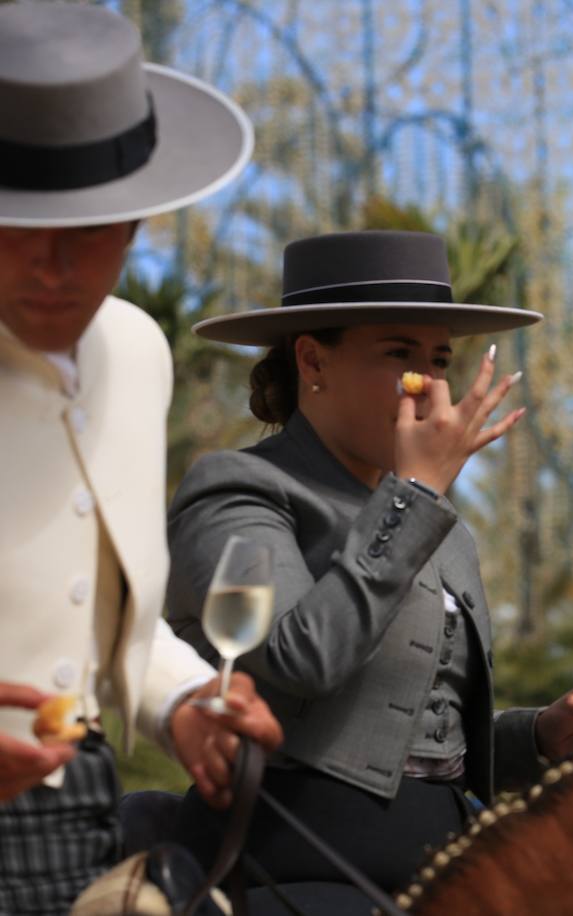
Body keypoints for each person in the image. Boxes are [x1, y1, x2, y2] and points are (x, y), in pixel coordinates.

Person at [165, 230, 573, 905]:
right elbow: (299, 659)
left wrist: (538, 736)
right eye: (398, 354)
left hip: (446, 860)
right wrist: (415, 496)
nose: (428, 385)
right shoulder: (239, 488)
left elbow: (420, 737)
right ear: (312, 360)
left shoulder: (441, 524)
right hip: (288, 861)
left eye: (439, 360)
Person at [0, 5, 283, 913]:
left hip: (81, 812)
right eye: (18, 225)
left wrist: (183, 701)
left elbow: (103, 612)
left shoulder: (135, 353)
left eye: (86, 228)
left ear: (135, 221)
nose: (52, 265)